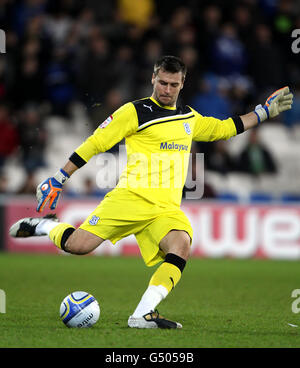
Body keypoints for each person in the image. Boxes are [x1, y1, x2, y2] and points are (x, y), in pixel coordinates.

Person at [9, 56, 293, 329]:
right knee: (78, 247)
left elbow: (224, 129)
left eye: (173, 84)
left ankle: (142, 314)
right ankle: (48, 226)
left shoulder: (189, 117)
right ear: (153, 79)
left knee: (181, 245)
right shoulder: (134, 112)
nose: (167, 90)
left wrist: (264, 111)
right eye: (162, 83)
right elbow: (96, 143)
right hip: (129, 199)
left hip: (164, 210)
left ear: (183, 84)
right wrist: (60, 177)